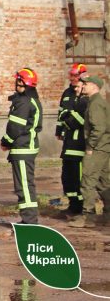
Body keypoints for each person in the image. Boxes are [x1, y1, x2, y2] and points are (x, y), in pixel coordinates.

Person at [0, 68, 42, 225]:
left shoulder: (24, 102)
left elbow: (15, 127)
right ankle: (28, 219)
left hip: (23, 148)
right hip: (25, 147)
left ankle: (30, 220)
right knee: (24, 185)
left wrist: (5, 141)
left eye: (17, 80)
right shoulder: (30, 100)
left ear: (22, 82)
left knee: (24, 185)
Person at [69, 75, 110, 228]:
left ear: (94, 86)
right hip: (104, 146)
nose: (83, 85)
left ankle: (88, 216)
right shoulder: (99, 102)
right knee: (104, 182)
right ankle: (108, 215)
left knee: (88, 180)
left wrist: (90, 147)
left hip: (98, 147)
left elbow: (98, 128)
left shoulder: (95, 104)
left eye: (86, 84)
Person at [56, 63, 88, 218]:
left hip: (79, 143)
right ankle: (71, 204)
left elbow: (77, 120)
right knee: (66, 176)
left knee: (77, 177)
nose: (73, 79)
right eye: (71, 75)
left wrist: (67, 117)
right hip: (67, 142)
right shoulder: (67, 93)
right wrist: (58, 130)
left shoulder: (85, 99)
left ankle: (79, 208)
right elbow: (61, 113)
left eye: (76, 76)